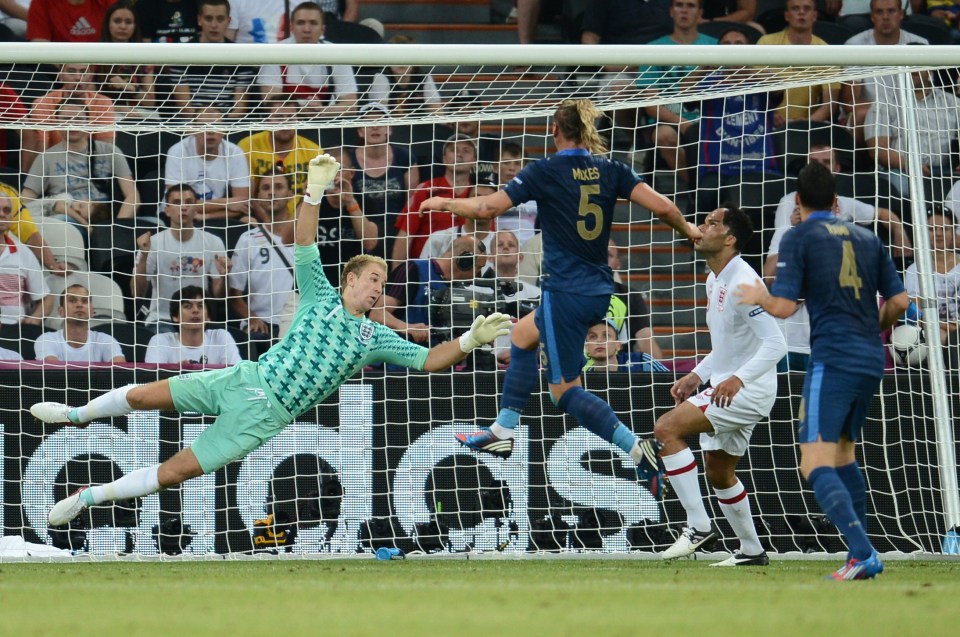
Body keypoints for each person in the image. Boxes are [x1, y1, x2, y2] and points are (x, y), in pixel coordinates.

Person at [34, 154, 512, 528]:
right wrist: (315, 191)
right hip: (243, 377)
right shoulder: (318, 293)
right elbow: (303, 244)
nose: (377, 289)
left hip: (265, 415)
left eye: (382, 285)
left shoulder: (374, 336)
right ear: (349, 279)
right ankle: (74, 416)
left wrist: (470, 338)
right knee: (141, 396)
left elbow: (430, 360)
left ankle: (85, 498)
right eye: (371, 279)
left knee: (176, 471)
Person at [420, 98, 700, 496]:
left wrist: (446, 201)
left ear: (555, 130)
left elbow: (487, 207)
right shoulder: (613, 168)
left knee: (565, 392)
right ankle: (502, 430)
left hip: (565, 290)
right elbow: (664, 206)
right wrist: (689, 232)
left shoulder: (546, 171)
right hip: (599, 290)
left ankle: (638, 451)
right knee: (521, 336)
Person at [737, 161, 909, 580]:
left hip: (832, 358)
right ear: (836, 201)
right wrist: (874, 326)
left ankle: (863, 551)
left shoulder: (799, 236)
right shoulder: (869, 238)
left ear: (797, 200)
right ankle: (859, 553)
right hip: (871, 358)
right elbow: (901, 302)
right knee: (845, 454)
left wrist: (757, 293)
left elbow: (784, 306)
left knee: (813, 464)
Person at [648, 205, 785, 565]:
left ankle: (697, 525)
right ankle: (752, 551)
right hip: (731, 383)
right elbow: (729, 346)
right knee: (720, 472)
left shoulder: (743, 282)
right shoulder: (715, 278)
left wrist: (738, 379)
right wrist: (697, 374)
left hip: (747, 389)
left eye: (711, 223)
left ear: (730, 238)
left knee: (666, 429)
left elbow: (776, 343)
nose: (702, 227)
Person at [133, 184, 229, 333]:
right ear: (167, 210)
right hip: (161, 320)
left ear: (196, 208)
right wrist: (144, 256)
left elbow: (220, 296)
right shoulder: (154, 243)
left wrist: (225, 276)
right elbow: (136, 293)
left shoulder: (213, 242)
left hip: (198, 320)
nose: (183, 207)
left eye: (189, 202)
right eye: (177, 203)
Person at [840, 0, 927, 144]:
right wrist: (886, 112)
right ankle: (865, 165)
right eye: (879, 12)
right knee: (861, 115)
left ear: (901, 14)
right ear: (872, 16)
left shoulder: (920, 44)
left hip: (911, 110)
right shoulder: (854, 45)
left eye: (891, 11)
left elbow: (926, 92)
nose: (885, 17)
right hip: (869, 113)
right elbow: (850, 102)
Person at [255, 2, 359, 117]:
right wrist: (303, 108)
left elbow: (351, 105)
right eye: (301, 23)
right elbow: (270, 102)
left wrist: (320, 111)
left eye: (313, 23)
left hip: (323, 124)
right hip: (285, 125)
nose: (307, 29)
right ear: (292, 27)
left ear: (322, 29)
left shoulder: (337, 54)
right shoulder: (275, 53)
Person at [227, 172, 296, 340]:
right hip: (261, 324)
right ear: (258, 197)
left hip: (297, 322)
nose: (271, 192)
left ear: (291, 194)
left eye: (278, 187)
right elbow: (234, 295)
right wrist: (251, 317)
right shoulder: (247, 240)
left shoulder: (305, 239)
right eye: (265, 188)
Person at [347, 102, 420, 259]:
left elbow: (412, 203)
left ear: (389, 129)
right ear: (360, 131)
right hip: (359, 230)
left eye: (380, 122)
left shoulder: (405, 157)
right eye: (369, 122)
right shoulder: (349, 160)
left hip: (397, 231)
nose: (375, 127)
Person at [391, 133, 476, 267]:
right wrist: (398, 279)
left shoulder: (479, 194)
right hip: (426, 271)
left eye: (466, 151)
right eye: (454, 150)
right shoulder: (425, 189)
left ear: (474, 160)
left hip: (467, 271)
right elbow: (405, 236)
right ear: (444, 158)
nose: (460, 154)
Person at [166, 0, 257, 120]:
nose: (214, 25)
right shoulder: (181, 54)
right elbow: (184, 107)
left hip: (227, 126)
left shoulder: (240, 56)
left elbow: (240, 109)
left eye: (220, 19)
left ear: (228, 21)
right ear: (199, 20)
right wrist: (204, 123)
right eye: (208, 18)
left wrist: (218, 125)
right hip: (192, 125)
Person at [757, 0, 839, 128]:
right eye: (795, 8)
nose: (801, 12)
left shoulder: (826, 52)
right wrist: (770, 115)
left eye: (807, 9)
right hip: (765, 122)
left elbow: (829, 105)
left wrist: (805, 124)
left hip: (808, 127)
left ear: (814, 15)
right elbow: (755, 89)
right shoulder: (766, 43)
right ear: (786, 15)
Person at [163, 105, 251, 222]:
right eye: (204, 126)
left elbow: (242, 204)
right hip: (176, 218)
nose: (210, 132)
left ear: (224, 130)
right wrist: (225, 203)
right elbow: (179, 204)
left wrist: (207, 217)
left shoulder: (235, 153)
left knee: (248, 220)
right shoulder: (177, 151)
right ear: (193, 130)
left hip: (217, 217)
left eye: (216, 126)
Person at [236, 94, 321, 205]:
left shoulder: (314, 152)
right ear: (267, 120)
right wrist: (266, 222)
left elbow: (314, 198)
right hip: (259, 217)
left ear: (299, 121)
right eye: (279, 117)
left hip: (301, 217)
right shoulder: (247, 146)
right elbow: (248, 197)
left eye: (290, 117)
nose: (285, 123)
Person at [903, 206, 960, 369]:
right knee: (939, 338)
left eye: (945, 229)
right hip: (934, 330)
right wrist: (951, 329)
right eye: (932, 229)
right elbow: (918, 315)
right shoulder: (914, 270)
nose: (939, 234)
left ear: (953, 233)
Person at [145, 285, 241, 366]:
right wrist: (174, 374)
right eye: (187, 306)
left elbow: (237, 375)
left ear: (208, 316)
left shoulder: (221, 337)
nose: (195, 310)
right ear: (175, 317)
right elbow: (152, 383)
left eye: (200, 306)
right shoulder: (160, 341)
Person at [34, 283, 126, 363]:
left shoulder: (106, 341)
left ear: (92, 311)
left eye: (84, 301)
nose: (79, 305)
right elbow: (55, 375)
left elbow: (121, 373)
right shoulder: (46, 340)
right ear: (61, 311)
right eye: (72, 300)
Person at [96, 0, 157, 120]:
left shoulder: (143, 57)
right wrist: (119, 108)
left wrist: (129, 87)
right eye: (117, 21)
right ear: (108, 24)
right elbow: (87, 96)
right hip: (103, 114)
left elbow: (150, 102)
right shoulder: (95, 55)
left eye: (128, 22)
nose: (123, 26)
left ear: (135, 26)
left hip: (139, 114)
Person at [0, 194, 52, 326]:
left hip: (13, 329)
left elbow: (46, 298)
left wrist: (34, 319)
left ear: (12, 217)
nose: (2, 214)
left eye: (6, 210)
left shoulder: (24, 253)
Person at [583, 301, 669, 373]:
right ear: (586, 347)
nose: (599, 341)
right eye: (593, 337)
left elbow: (673, 385)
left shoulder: (642, 361)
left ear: (618, 345)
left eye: (606, 335)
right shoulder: (585, 379)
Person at [27, 0, 111, 42]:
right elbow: (40, 44)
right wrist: (67, 68)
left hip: (104, 66)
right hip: (58, 67)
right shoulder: (42, 2)